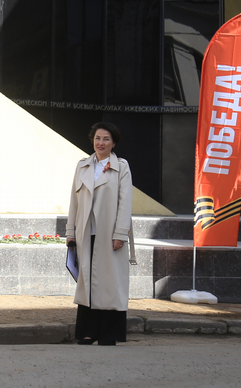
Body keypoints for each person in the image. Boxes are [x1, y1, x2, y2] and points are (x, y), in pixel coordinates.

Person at [66, 121, 135, 346]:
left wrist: (120, 234)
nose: (101, 143)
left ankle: (108, 333)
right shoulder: (83, 166)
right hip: (86, 233)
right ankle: (88, 331)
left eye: (106, 139)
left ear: (113, 143)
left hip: (109, 234)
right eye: (97, 138)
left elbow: (125, 203)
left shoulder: (121, 167)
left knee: (108, 283)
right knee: (87, 281)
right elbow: (74, 202)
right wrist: (70, 232)